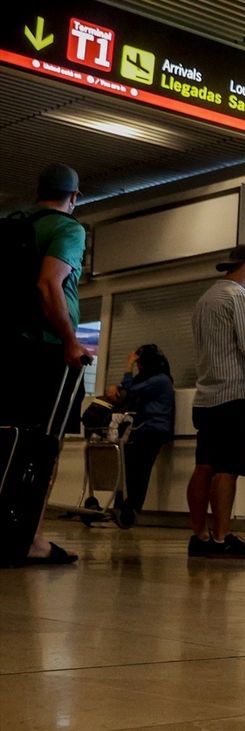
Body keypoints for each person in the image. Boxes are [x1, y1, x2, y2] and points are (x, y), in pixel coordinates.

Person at [0, 163, 92, 566]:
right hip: (46, 352)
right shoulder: (68, 228)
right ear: (73, 196)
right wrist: (72, 341)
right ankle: (31, 539)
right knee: (45, 446)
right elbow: (48, 283)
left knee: (7, 440)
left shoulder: (13, 226)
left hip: (9, 351)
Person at [186, 244, 245, 559]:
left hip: (205, 398)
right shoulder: (241, 297)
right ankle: (222, 539)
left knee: (204, 466)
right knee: (228, 469)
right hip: (234, 396)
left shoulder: (205, 298)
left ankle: (200, 536)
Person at [106, 344, 175, 528]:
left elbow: (130, 388)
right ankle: (126, 507)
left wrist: (128, 365)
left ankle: (131, 508)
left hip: (152, 430)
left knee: (139, 470)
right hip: (146, 429)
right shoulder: (159, 379)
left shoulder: (159, 380)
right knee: (133, 469)